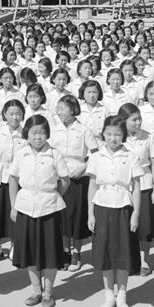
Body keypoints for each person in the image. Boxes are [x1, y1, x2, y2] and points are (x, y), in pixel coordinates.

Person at [9, 114, 70, 307]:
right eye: (34, 133)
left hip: (49, 208)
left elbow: (65, 181)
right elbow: (12, 179)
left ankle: (48, 293)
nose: (38, 137)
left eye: (42, 133)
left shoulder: (55, 154)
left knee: (50, 252)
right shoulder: (21, 153)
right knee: (30, 252)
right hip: (26, 207)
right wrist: (13, 205)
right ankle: (36, 290)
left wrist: (53, 196)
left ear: (47, 135)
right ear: (27, 133)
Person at [86, 115, 142, 307]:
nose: (113, 138)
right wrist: (90, 214)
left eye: (117, 134)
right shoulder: (96, 156)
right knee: (106, 253)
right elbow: (92, 185)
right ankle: (109, 294)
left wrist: (135, 214)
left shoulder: (131, 156)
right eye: (109, 134)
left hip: (123, 207)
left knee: (123, 253)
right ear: (103, 134)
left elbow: (136, 187)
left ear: (124, 135)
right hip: (102, 206)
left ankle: (122, 295)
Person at [50, 94, 97, 271]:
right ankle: (64, 251)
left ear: (73, 109)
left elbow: (94, 153)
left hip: (78, 176)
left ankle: (76, 252)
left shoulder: (83, 129)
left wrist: (83, 168)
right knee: (62, 216)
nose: (59, 112)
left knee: (77, 217)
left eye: (62, 108)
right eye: (58, 108)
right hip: (61, 177)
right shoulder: (54, 129)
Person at [118, 103, 154, 276]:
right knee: (126, 224)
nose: (138, 123)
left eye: (139, 119)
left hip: (144, 183)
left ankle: (144, 260)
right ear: (124, 120)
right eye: (134, 120)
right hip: (124, 185)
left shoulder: (148, 137)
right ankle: (128, 259)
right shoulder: (118, 136)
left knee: (144, 225)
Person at [0, 99, 27, 260]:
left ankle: (15, 243)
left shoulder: (26, 134)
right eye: (11, 114)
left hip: (19, 179)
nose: (15, 117)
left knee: (15, 211)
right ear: (4, 115)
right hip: (0, 176)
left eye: (18, 114)